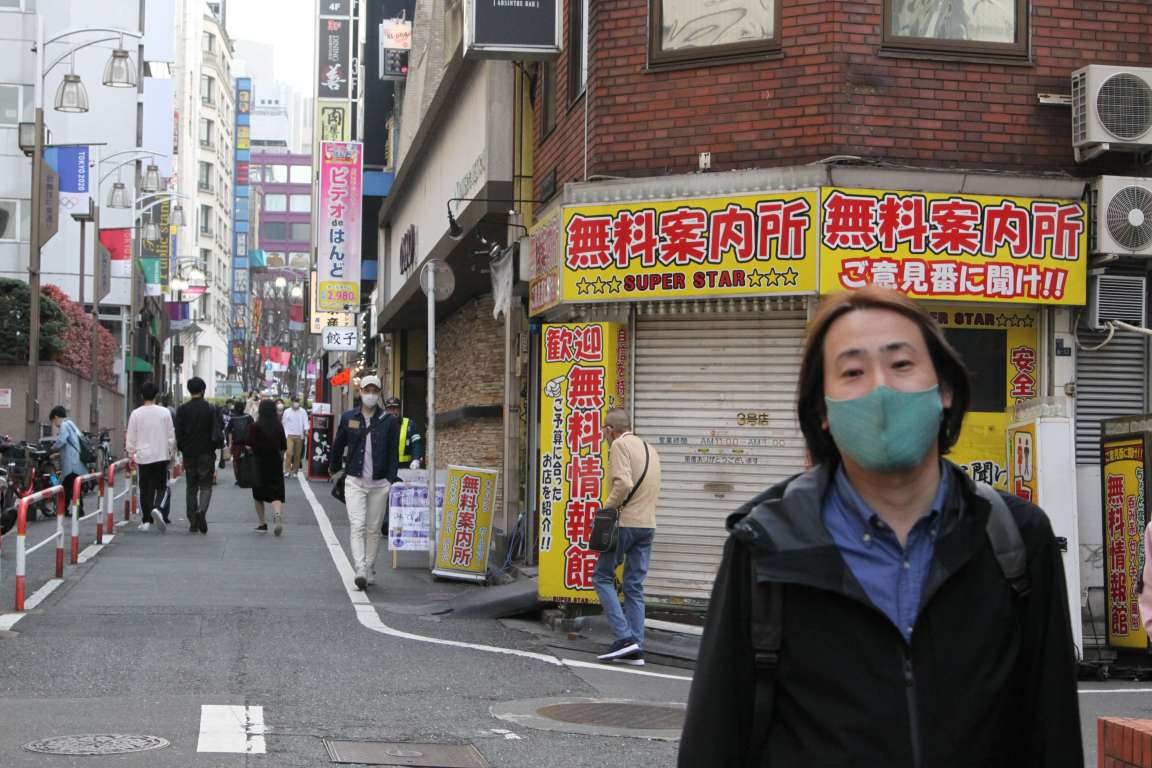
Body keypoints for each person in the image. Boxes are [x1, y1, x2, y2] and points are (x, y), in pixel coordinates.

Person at [678, 288, 1082, 767]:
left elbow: (1052, 732)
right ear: (823, 413)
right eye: (852, 372)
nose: (880, 390)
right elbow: (715, 739)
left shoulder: (1016, 540)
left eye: (902, 365)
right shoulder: (766, 545)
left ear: (944, 390)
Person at [592, 408, 662, 667]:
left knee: (601, 576)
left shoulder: (620, 446)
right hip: (648, 525)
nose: (604, 435)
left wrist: (606, 509)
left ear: (610, 429)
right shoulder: (650, 449)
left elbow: (623, 484)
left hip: (625, 524)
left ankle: (624, 639)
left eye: (604, 430)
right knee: (634, 585)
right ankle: (636, 646)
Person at [330, 375, 400, 590]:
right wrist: (334, 469)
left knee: (373, 529)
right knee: (357, 526)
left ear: (379, 394)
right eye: (366, 390)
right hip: (354, 480)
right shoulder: (349, 417)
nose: (370, 394)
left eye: (374, 390)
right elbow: (338, 443)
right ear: (360, 391)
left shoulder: (388, 420)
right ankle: (360, 568)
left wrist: (390, 479)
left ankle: (369, 566)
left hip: (380, 483)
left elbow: (393, 453)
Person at [125, 382, 176, 532]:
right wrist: (172, 454)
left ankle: (146, 520)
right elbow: (171, 436)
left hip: (143, 456)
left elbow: (131, 437)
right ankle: (158, 508)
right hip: (161, 454)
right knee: (162, 487)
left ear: (142, 396)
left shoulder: (136, 413)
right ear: (156, 395)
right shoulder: (164, 413)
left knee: (145, 488)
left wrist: (130, 454)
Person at [174, 377, 222, 534]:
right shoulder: (210, 408)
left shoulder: (182, 410)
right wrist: (215, 448)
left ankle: (192, 521)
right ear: (203, 390)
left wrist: (182, 447)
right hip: (206, 452)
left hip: (189, 453)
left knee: (191, 486)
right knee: (206, 486)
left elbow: (178, 433)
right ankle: (202, 511)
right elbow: (217, 431)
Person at [249, 399, 288, 536]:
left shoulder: (255, 426)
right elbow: (283, 446)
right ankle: (277, 514)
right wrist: (280, 459)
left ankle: (262, 523)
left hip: (259, 462)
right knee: (276, 491)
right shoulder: (278, 426)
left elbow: (250, 445)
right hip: (275, 462)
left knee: (258, 494)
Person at [48, 405, 87, 520]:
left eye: (53, 421)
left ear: (55, 417)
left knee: (65, 488)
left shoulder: (64, 425)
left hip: (72, 465)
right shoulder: (71, 423)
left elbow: (61, 440)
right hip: (77, 462)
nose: (55, 424)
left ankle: (63, 510)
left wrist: (52, 449)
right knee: (76, 489)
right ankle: (79, 510)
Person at [383, 397, 424, 469]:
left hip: (405, 466)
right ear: (386, 411)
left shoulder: (410, 424)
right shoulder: (381, 425)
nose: (392, 412)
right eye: (390, 409)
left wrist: (416, 459)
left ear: (399, 410)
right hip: (386, 466)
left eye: (395, 408)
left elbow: (417, 443)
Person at [225, 400, 253, 484]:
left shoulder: (232, 418)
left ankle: (238, 478)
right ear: (244, 408)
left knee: (236, 461)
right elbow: (253, 429)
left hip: (236, 443)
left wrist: (230, 444)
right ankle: (248, 476)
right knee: (248, 460)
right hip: (247, 443)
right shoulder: (248, 417)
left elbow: (229, 431)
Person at [281, 396, 308, 478]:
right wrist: (284, 433)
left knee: (297, 455)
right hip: (289, 435)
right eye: (294, 401)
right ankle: (287, 470)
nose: (296, 403)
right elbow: (283, 423)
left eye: (297, 401)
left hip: (299, 435)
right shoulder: (287, 411)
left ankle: (295, 471)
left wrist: (306, 430)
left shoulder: (303, 411)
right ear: (291, 402)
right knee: (289, 453)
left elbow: (305, 421)